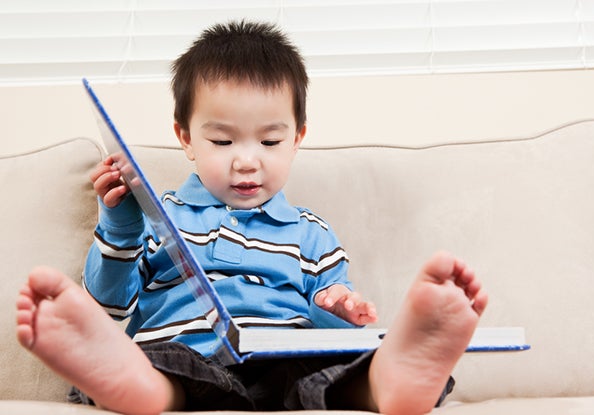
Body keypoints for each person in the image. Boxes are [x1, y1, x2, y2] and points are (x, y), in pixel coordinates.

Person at [15, 20, 488, 415]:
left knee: (339, 370)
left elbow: (332, 310)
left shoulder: (310, 231)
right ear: (185, 137)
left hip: (282, 362)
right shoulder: (161, 215)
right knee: (165, 370)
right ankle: (129, 382)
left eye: (270, 141)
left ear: (297, 137)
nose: (247, 161)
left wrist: (340, 309)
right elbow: (110, 306)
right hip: (187, 357)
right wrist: (122, 223)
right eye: (223, 142)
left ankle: (393, 380)